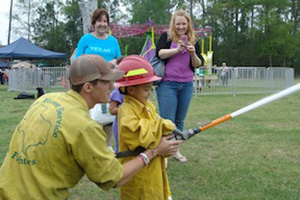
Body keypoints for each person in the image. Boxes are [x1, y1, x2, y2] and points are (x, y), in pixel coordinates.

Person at [0, 54, 182, 200]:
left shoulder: (46, 100)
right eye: (106, 82)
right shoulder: (85, 127)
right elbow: (115, 178)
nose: (113, 86)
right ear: (88, 87)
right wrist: (154, 152)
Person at [115, 55, 180, 200]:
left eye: (150, 89)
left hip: (154, 168)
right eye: (146, 89)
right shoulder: (126, 110)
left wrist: (166, 140)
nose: (149, 93)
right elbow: (138, 135)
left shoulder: (148, 106)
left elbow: (156, 131)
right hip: (138, 175)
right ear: (131, 89)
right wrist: (162, 125)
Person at [155, 9, 202, 163]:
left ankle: (175, 150)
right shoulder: (166, 37)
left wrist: (192, 53)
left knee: (180, 121)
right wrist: (176, 50)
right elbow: (159, 54)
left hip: (187, 84)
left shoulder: (193, 40)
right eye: (178, 24)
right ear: (173, 24)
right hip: (168, 84)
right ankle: (164, 153)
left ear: (188, 24)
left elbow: (197, 64)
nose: (181, 27)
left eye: (184, 23)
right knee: (167, 120)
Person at [75, 8, 121, 150]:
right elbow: (77, 59)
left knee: (107, 115)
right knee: (89, 115)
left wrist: (114, 62)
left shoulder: (113, 41)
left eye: (105, 21)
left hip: (108, 83)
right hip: (90, 83)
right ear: (94, 23)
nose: (102, 24)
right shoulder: (86, 39)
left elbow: (119, 59)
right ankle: (90, 146)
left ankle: (107, 145)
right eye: (99, 21)